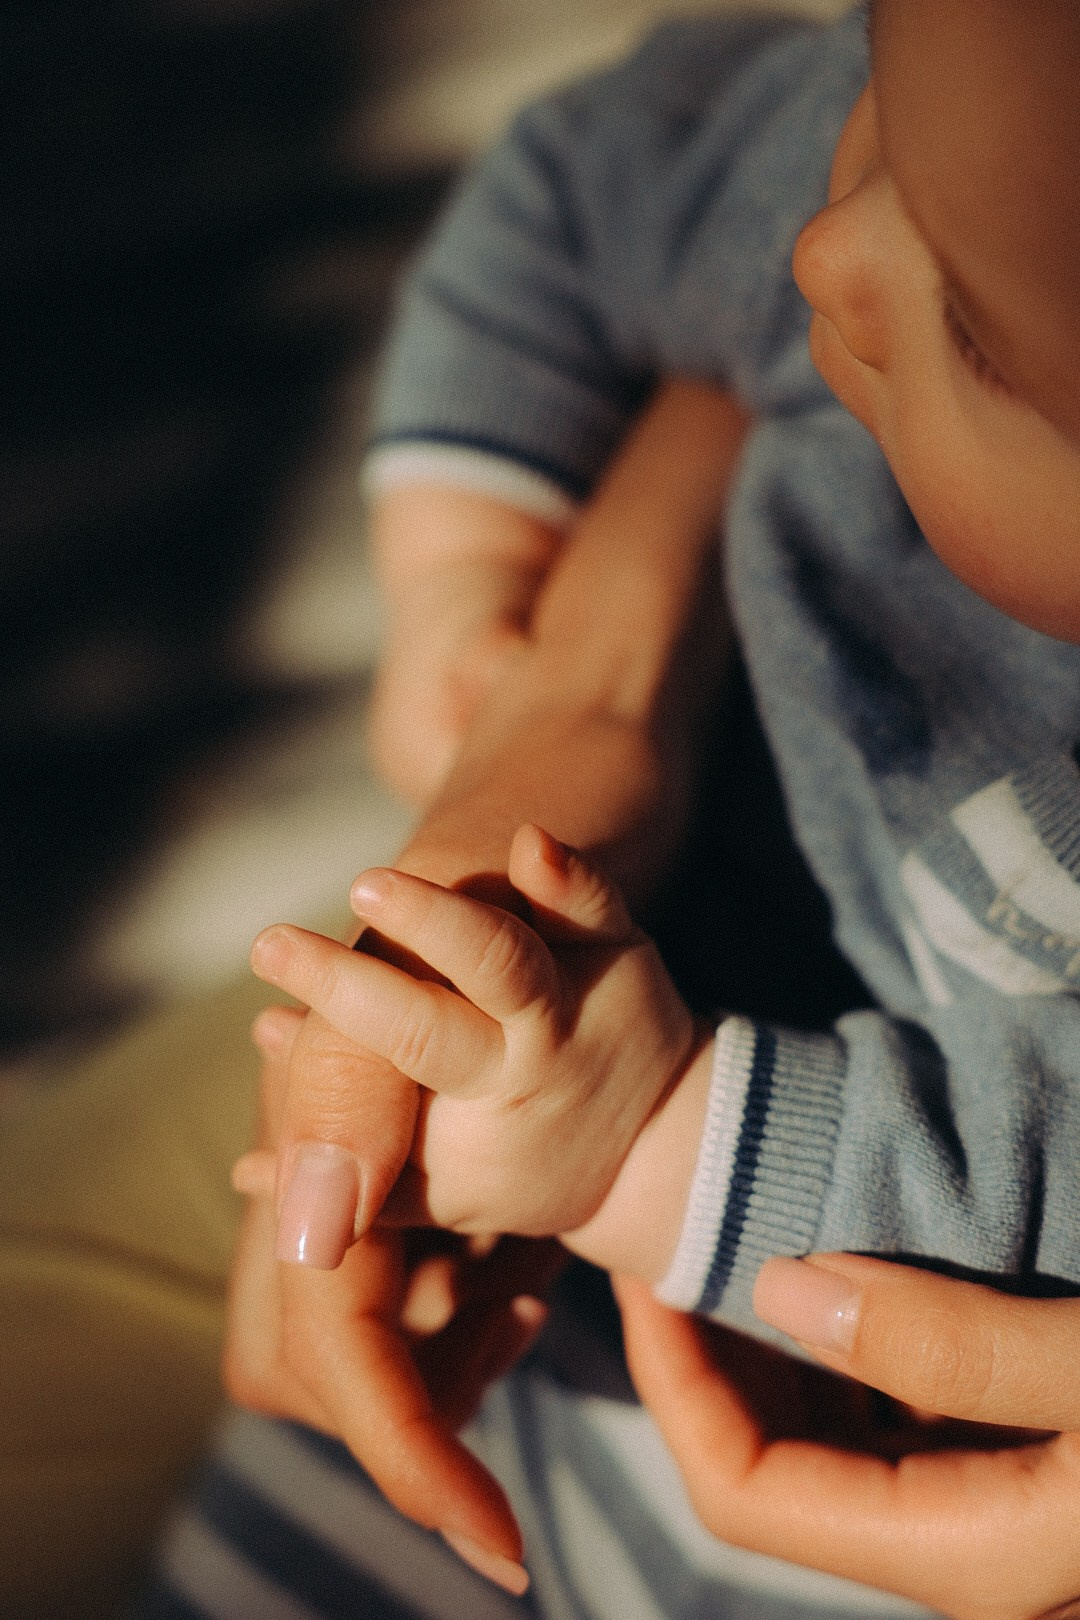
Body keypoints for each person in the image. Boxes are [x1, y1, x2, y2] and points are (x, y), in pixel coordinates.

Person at [138, 0, 1080, 1615]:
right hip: (514, 1314)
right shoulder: (963, 174)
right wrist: (472, 591)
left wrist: (655, 1142)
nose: (825, 259)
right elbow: (599, 181)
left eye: (980, 346)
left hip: (790, 1499)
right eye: (878, 93)